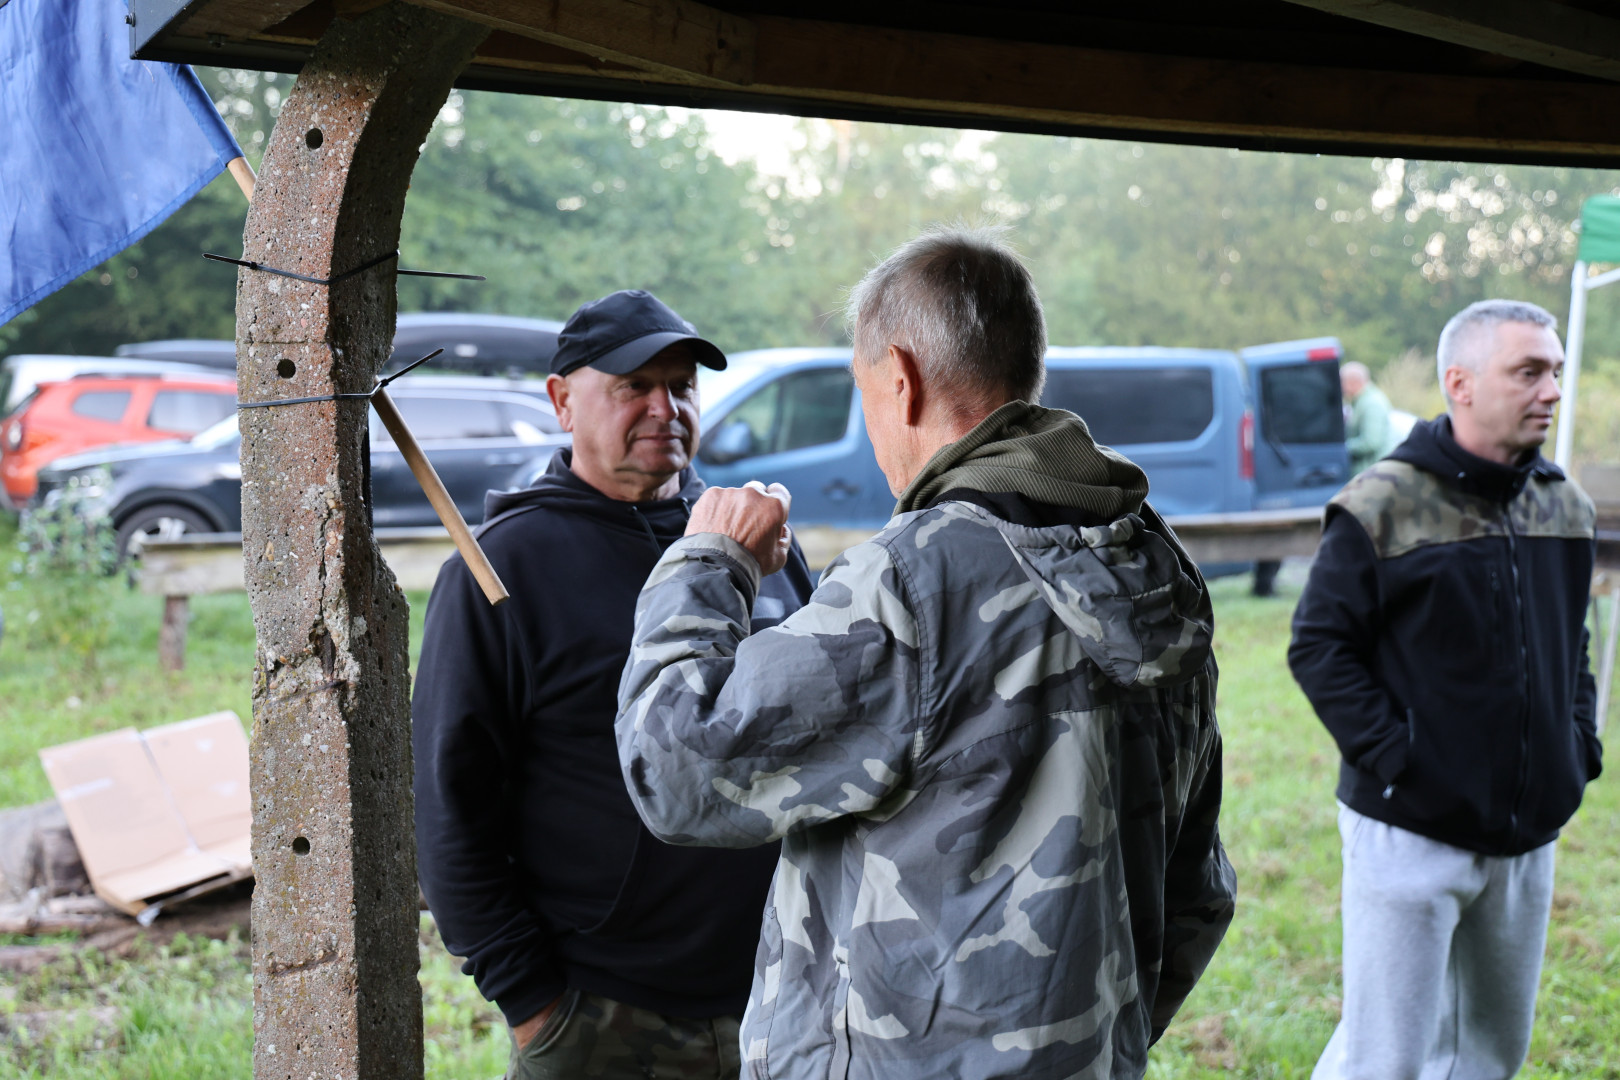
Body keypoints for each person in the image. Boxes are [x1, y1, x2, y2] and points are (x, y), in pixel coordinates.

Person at [615, 227, 1236, 1079]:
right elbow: (1198, 891)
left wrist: (709, 561)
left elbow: (674, 768)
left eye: (862, 392)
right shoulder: (1153, 569)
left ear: (899, 379)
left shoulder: (912, 582)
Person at [413, 290, 815, 1080]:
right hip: (603, 1007)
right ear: (563, 400)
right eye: (635, 386)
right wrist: (531, 1002)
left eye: (682, 386)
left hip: (779, 991)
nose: (666, 408)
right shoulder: (503, 568)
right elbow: (449, 800)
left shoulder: (752, 539)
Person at [1289, 299, 1602, 1080]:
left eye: (1556, 372)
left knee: (1490, 1055)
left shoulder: (1565, 504)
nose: (1551, 391)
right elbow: (1319, 646)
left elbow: (1574, 644)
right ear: (1460, 383)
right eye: (1528, 372)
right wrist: (1401, 760)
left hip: (1527, 833)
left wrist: (1576, 749)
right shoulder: (1383, 503)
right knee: (1384, 1058)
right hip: (1410, 830)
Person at [1340, 360, 1399, 474]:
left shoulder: (1371, 404)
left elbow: (1371, 442)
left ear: (1353, 382)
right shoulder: (1360, 401)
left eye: (1342, 382)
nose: (1341, 387)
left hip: (1375, 474)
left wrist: (1341, 448)